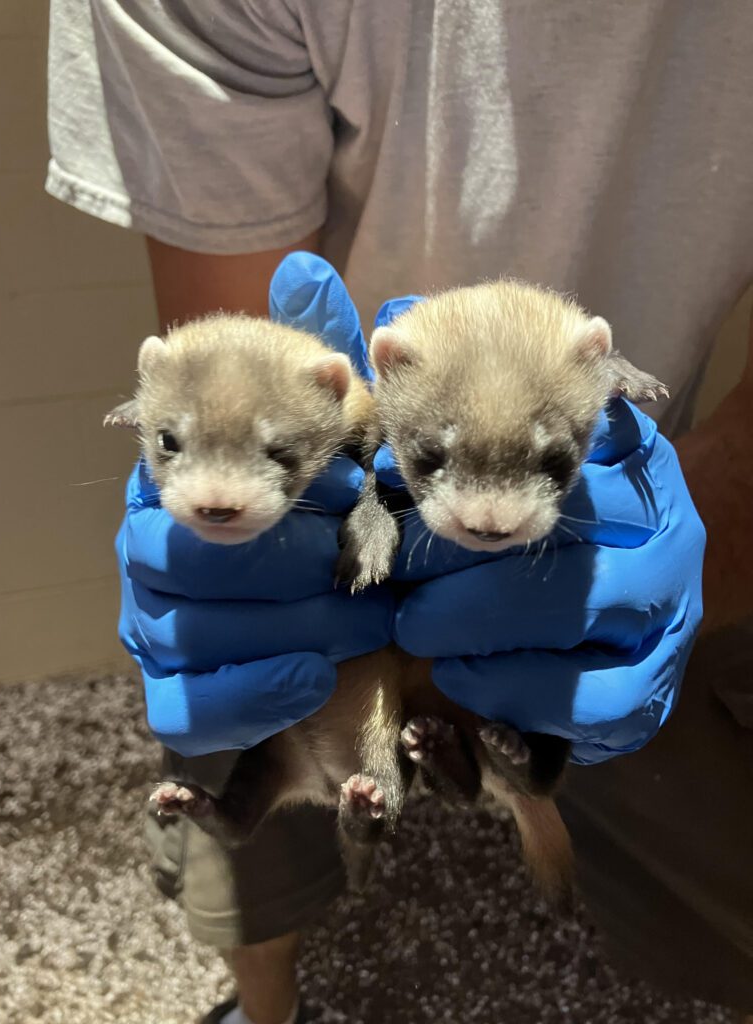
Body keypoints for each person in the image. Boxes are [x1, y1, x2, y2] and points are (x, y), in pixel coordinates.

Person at [46, 3, 752, 1023]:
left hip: (628, 488)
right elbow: (242, 375)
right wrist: (245, 524)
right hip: (346, 463)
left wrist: (706, 535)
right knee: (250, 706)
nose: (490, 519)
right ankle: (265, 996)